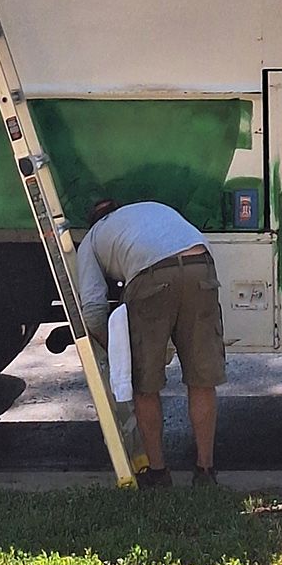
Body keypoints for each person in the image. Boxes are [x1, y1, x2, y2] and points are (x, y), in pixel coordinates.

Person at [76, 198, 226, 488]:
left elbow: (93, 312)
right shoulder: (151, 208)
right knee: (202, 379)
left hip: (151, 275)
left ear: (93, 222)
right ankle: (205, 471)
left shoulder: (92, 239)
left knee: (146, 384)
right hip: (201, 265)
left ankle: (158, 472)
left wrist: (116, 350)